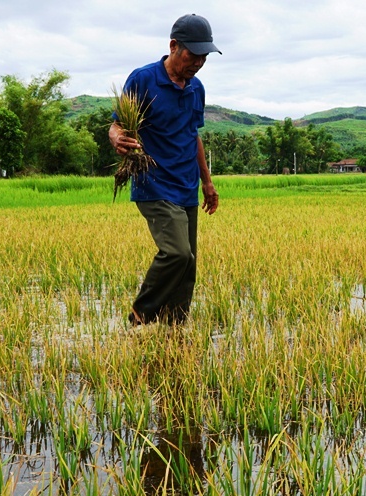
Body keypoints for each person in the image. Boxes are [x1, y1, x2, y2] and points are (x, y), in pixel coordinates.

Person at [109, 13, 221, 326]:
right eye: (193, 54)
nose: (198, 62)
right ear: (174, 46)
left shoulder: (196, 88)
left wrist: (207, 183)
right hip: (154, 183)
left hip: (186, 186)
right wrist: (118, 137)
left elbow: (193, 135)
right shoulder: (143, 79)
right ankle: (139, 317)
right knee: (177, 254)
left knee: (188, 267)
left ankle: (175, 330)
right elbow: (117, 125)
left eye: (204, 57)